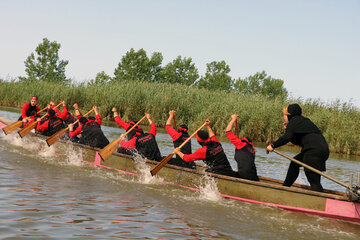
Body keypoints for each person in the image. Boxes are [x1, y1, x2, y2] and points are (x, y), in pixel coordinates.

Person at [266, 103, 329, 192]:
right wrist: (287, 129)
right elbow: (296, 140)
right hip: (321, 150)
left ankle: (320, 202)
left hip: (313, 151)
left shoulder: (294, 121)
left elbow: (286, 138)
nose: (284, 117)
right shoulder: (303, 121)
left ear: (289, 115)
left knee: (314, 181)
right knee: (294, 163)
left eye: (284, 115)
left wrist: (273, 145)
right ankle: (285, 188)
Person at [174, 119, 238, 177]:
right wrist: (208, 126)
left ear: (199, 141)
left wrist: (178, 152)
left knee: (206, 173)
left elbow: (187, 158)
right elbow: (212, 135)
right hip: (228, 169)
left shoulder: (203, 150)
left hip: (218, 172)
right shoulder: (216, 142)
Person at [225, 114, 259, 181]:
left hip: (244, 176)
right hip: (254, 176)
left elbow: (228, 131)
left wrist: (233, 119)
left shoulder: (241, 144)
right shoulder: (252, 151)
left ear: (243, 141)